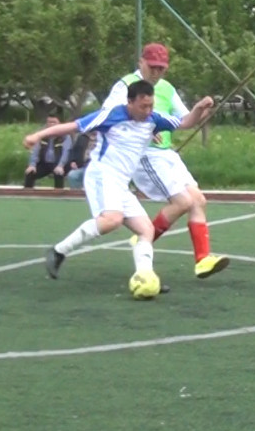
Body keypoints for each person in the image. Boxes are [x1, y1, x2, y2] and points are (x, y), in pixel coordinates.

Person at [25, 80, 213, 292]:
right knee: (111, 220)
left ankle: (145, 276)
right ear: (129, 102)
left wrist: (198, 108)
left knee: (146, 230)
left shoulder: (153, 119)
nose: (147, 111)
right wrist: (37, 136)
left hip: (120, 183)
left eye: (150, 105)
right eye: (143, 106)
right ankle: (58, 252)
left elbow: (186, 122)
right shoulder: (111, 115)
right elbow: (72, 126)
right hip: (102, 175)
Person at [112, 43, 229, 279]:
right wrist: (141, 128)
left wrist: (201, 109)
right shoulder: (125, 86)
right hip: (145, 154)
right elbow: (110, 115)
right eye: (152, 67)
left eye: (161, 68)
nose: (157, 72)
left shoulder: (166, 88)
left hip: (166, 154)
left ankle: (202, 260)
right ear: (141, 63)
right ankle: (145, 237)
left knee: (198, 200)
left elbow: (185, 119)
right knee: (183, 202)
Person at [24, 113, 72, 189]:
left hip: (59, 163)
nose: (51, 124)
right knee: (30, 173)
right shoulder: (41, 134)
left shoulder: (65, 136)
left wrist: (60, 166)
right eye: (49, 122)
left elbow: (66, 153)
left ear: (59, 123)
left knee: (59, 174)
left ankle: (58, 195)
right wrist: (32, 165)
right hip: (44, 163)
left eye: (54, 122)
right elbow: (35, 150)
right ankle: (27, 194)